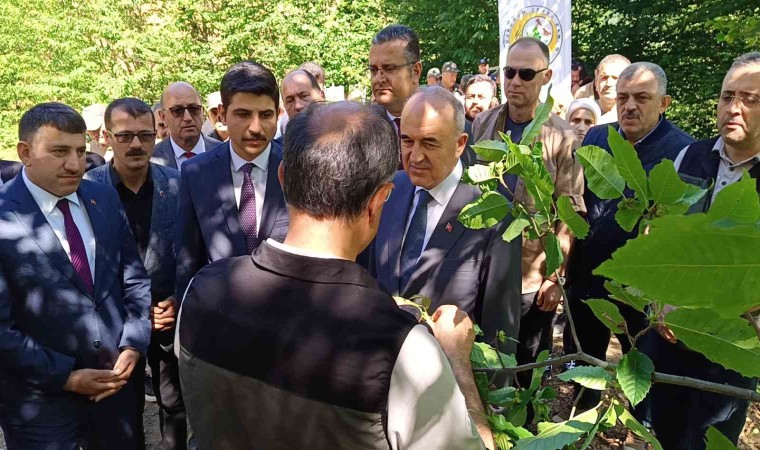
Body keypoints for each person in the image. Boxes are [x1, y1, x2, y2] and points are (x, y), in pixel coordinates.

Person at [177, 100, 492, 449]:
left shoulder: (200, 292)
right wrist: (457, 363)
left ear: (283, 178)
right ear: (379, 201)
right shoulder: (404, 349)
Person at [0, 102, 151, 449]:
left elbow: (134, 278)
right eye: (59, 152)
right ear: (25, 152)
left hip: (115, 390)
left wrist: (134, 343)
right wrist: (65, 377)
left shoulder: (103, 198)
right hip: (39, 406)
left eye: (81, 151)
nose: (75, 164)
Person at [640, 52, 760, 450]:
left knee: (710, 438)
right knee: (666, 431)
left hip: (730, 345)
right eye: (727, 96)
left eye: (750, 99)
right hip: (671, 336)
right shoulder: (688, 156)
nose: (734, 108)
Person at [566, 62, 695, 410]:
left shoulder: (685, 153)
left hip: (642, 294)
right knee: (584, 368)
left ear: (664, 103)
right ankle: (583, 420)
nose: (630, 106)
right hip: (590, 279)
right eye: (623, 97)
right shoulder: (597, 138)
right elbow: (585, 204)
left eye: (642, 97)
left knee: (645, 378)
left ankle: (643, 427)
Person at [366, 86, 522, 349]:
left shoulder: (493, 214)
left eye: (429, 143)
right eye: (407, 141)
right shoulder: (387, 192)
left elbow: (500, 332)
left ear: (460, 144)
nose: (415, 156)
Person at [471, 37, 585, 386]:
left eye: (526, 73)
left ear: (545, 76)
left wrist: (555, 277)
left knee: (527, 364)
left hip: (531, 274)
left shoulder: (563, 137)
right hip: (482, 266)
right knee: (483, 358)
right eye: (509, 72)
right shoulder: (482, 125)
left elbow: (570, 212)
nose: (515, 81)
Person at [85, 98, 187, 450]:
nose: (136, 145)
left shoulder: (176, 184)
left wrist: (177, 298)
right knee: (122, 413)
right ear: (106, 137)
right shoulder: (86, 189)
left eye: (145, 135)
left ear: (157, 134)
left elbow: (190, 250)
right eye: (125, 136)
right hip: (116, 323)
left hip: (165, 315)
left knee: (173, 403)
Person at [174, 61, 289, 304]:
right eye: (243, 114)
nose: (255, 127)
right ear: (222, 114)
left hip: (287, 312)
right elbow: (188, 260)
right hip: (218, 314)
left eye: (265, 115)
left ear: (278, 114)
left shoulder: (298, 167)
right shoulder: (196, 173)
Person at [151, 82, 221, 170]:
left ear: (202, 112)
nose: (188, 118)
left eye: (194, 109)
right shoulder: (151, 160)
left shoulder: (225, 153)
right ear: (163, 117)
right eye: (177, 110)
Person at [368, 24, 422, 141]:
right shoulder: (364, 129)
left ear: (416, 71)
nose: (378, 79)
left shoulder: (443, 119)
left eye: (389, 69)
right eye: (373, 70)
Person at [574, 54, 631, 124]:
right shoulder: (581, 111)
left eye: (615, 78)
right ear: (596, 79)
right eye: (604, 77)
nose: (608, 83)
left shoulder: (634, 115)